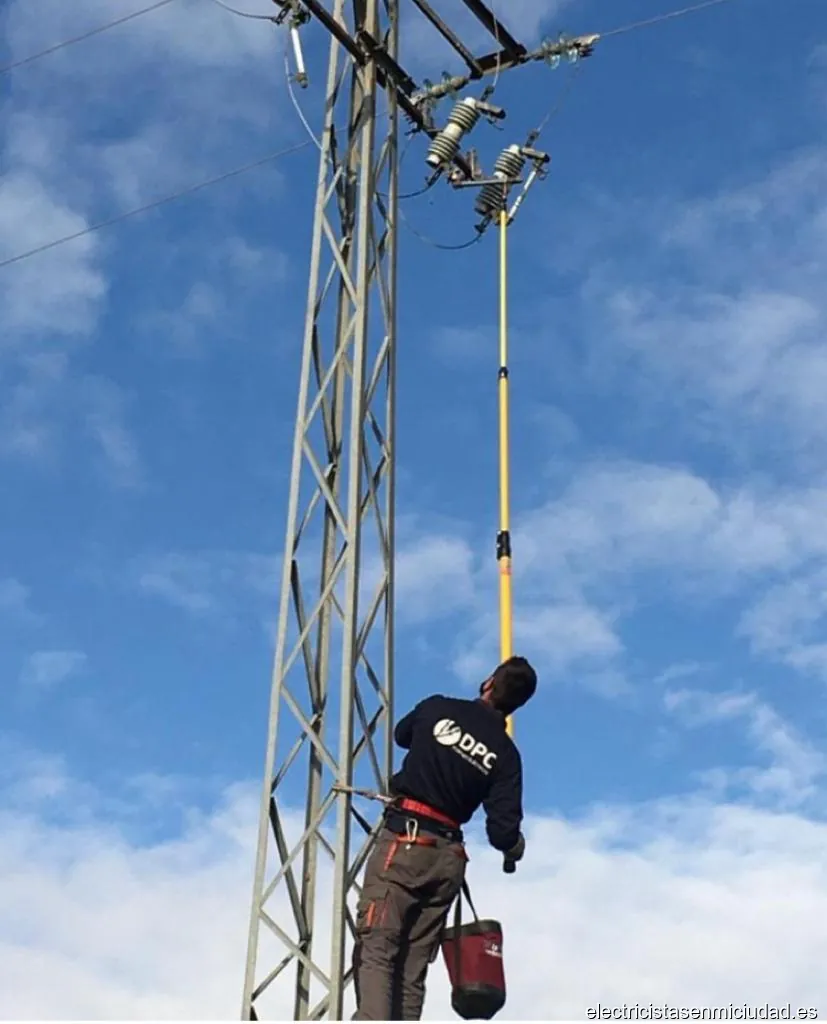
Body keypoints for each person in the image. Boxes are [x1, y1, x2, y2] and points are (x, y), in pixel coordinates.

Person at [351, 655, 538, 1021]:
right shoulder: (505, 755)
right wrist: (515, 847)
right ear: (517, 706)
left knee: (378, 944)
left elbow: (402, 735)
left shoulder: (437, 708)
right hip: (447, 858)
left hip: (406, 842)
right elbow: (502, 832)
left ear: (488, 682)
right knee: (412, 966)